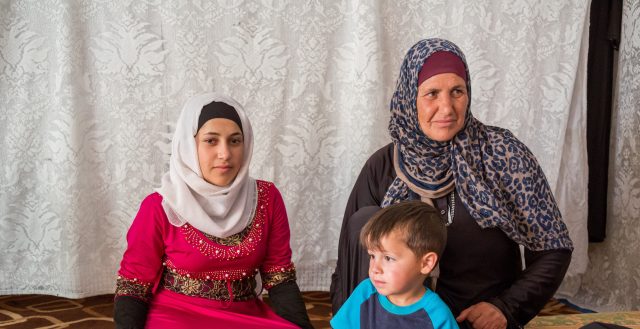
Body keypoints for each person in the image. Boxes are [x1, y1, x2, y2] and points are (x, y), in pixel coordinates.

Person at [330, 38, 573, 329]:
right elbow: (347, 264)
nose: (446, 108)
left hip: (476, 322)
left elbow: (553, 247)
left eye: (457, 91)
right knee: (365, 221)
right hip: (399, 323)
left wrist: (507, 308)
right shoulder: (383, 166)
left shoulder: (502, 154)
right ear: (410, 97)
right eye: (431, 93)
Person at [113, 93, 313, 329]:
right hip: (176, 317)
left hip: (245, 317)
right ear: (189, 145)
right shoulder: (161, 205)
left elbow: (279, 275)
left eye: (235, 141)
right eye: (211, 141)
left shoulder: (266, 198)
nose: (225, 154)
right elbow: (134, 284)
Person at [330, 201, 459, 329]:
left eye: (388, 258)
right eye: (372, 256)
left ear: (426, 263)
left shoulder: (437, 315)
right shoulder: (365, 292)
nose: (375, 269)